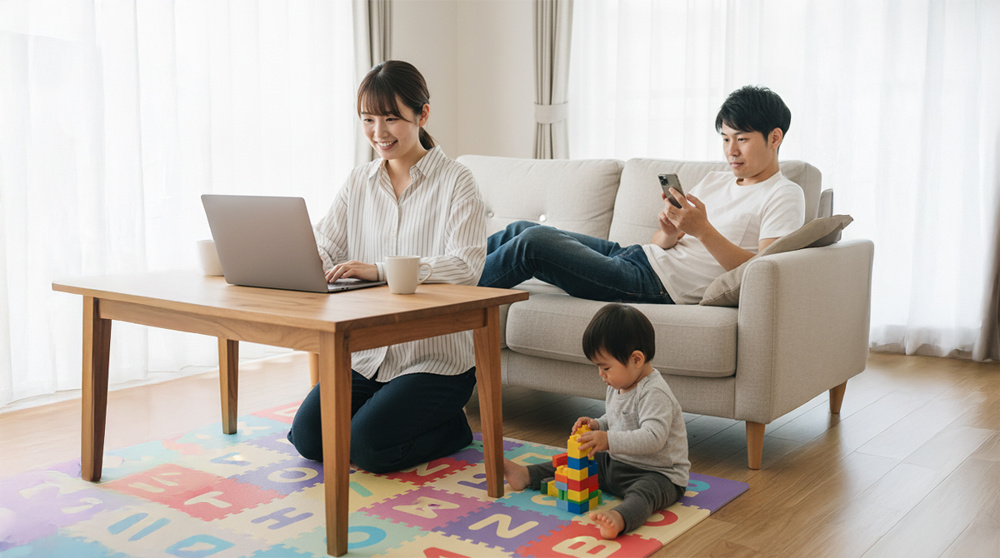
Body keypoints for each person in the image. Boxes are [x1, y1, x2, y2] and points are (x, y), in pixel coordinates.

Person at [286, 60, 487, 473]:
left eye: (392, 118)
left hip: (435, 361)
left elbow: (466, 266)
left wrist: (380, 270)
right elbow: (326, 243)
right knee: (309, 439)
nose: (379, 132)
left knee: (366, 448)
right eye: (368, 119)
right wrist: (311, 262)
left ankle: (455, 429)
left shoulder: (457, 181)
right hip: (367, 356)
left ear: (422, 114)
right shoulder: (358, 181)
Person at [478, 85, 805, 305]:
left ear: (774, 137)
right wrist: (670, 232)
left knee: (534, 244)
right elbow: (661, 243)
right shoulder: (716, 181)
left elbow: (764, 274)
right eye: (724, 139)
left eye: (742, 139)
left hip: (655, 284)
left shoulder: (784, 194)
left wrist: (703, 229)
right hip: (635, 256)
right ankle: (443, 273)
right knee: (520, 229)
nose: (730, 151)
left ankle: (442, 306)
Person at [502, 303, 690, 539]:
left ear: (636, 359)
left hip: (659, 474)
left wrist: (608, 439)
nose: (601, 375)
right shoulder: (618, 383)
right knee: (578, 462)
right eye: (598, 367)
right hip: (618, 464)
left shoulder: (654, 393)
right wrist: (598, 425)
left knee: (644, 495)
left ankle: (620, 518)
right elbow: (617, 419)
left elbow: (653, 438)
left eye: (606, 367)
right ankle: (526, 475)